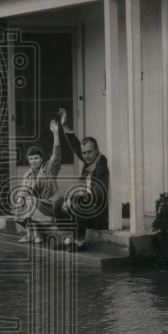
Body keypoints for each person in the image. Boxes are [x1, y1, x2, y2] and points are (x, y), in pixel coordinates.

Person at [55, 107, 109, 249]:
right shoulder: (88, 162)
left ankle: (79, 242)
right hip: (83, 209)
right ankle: (65, 238)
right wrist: (64, 125)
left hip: (99, 215)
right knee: (59, 203)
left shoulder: (101, 165)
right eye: (84, 153)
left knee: (78, 203)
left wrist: (76, 197)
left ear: (97, 151)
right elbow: (75, 145)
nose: (86, 156)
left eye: (89, 152)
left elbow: (97, 194)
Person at [16, 118, 62, 244]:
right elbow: (23, 189)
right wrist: (20, 197)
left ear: (42, 159)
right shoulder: (28, 174)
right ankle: (34, 234)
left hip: (49, 205)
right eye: (31, 159)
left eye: (36, 158)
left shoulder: (49, 169)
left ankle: (35, 234)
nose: (33, 161)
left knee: (29, 201)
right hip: (35, 206)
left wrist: (55, 134)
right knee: (23, 200)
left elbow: (56, 155)